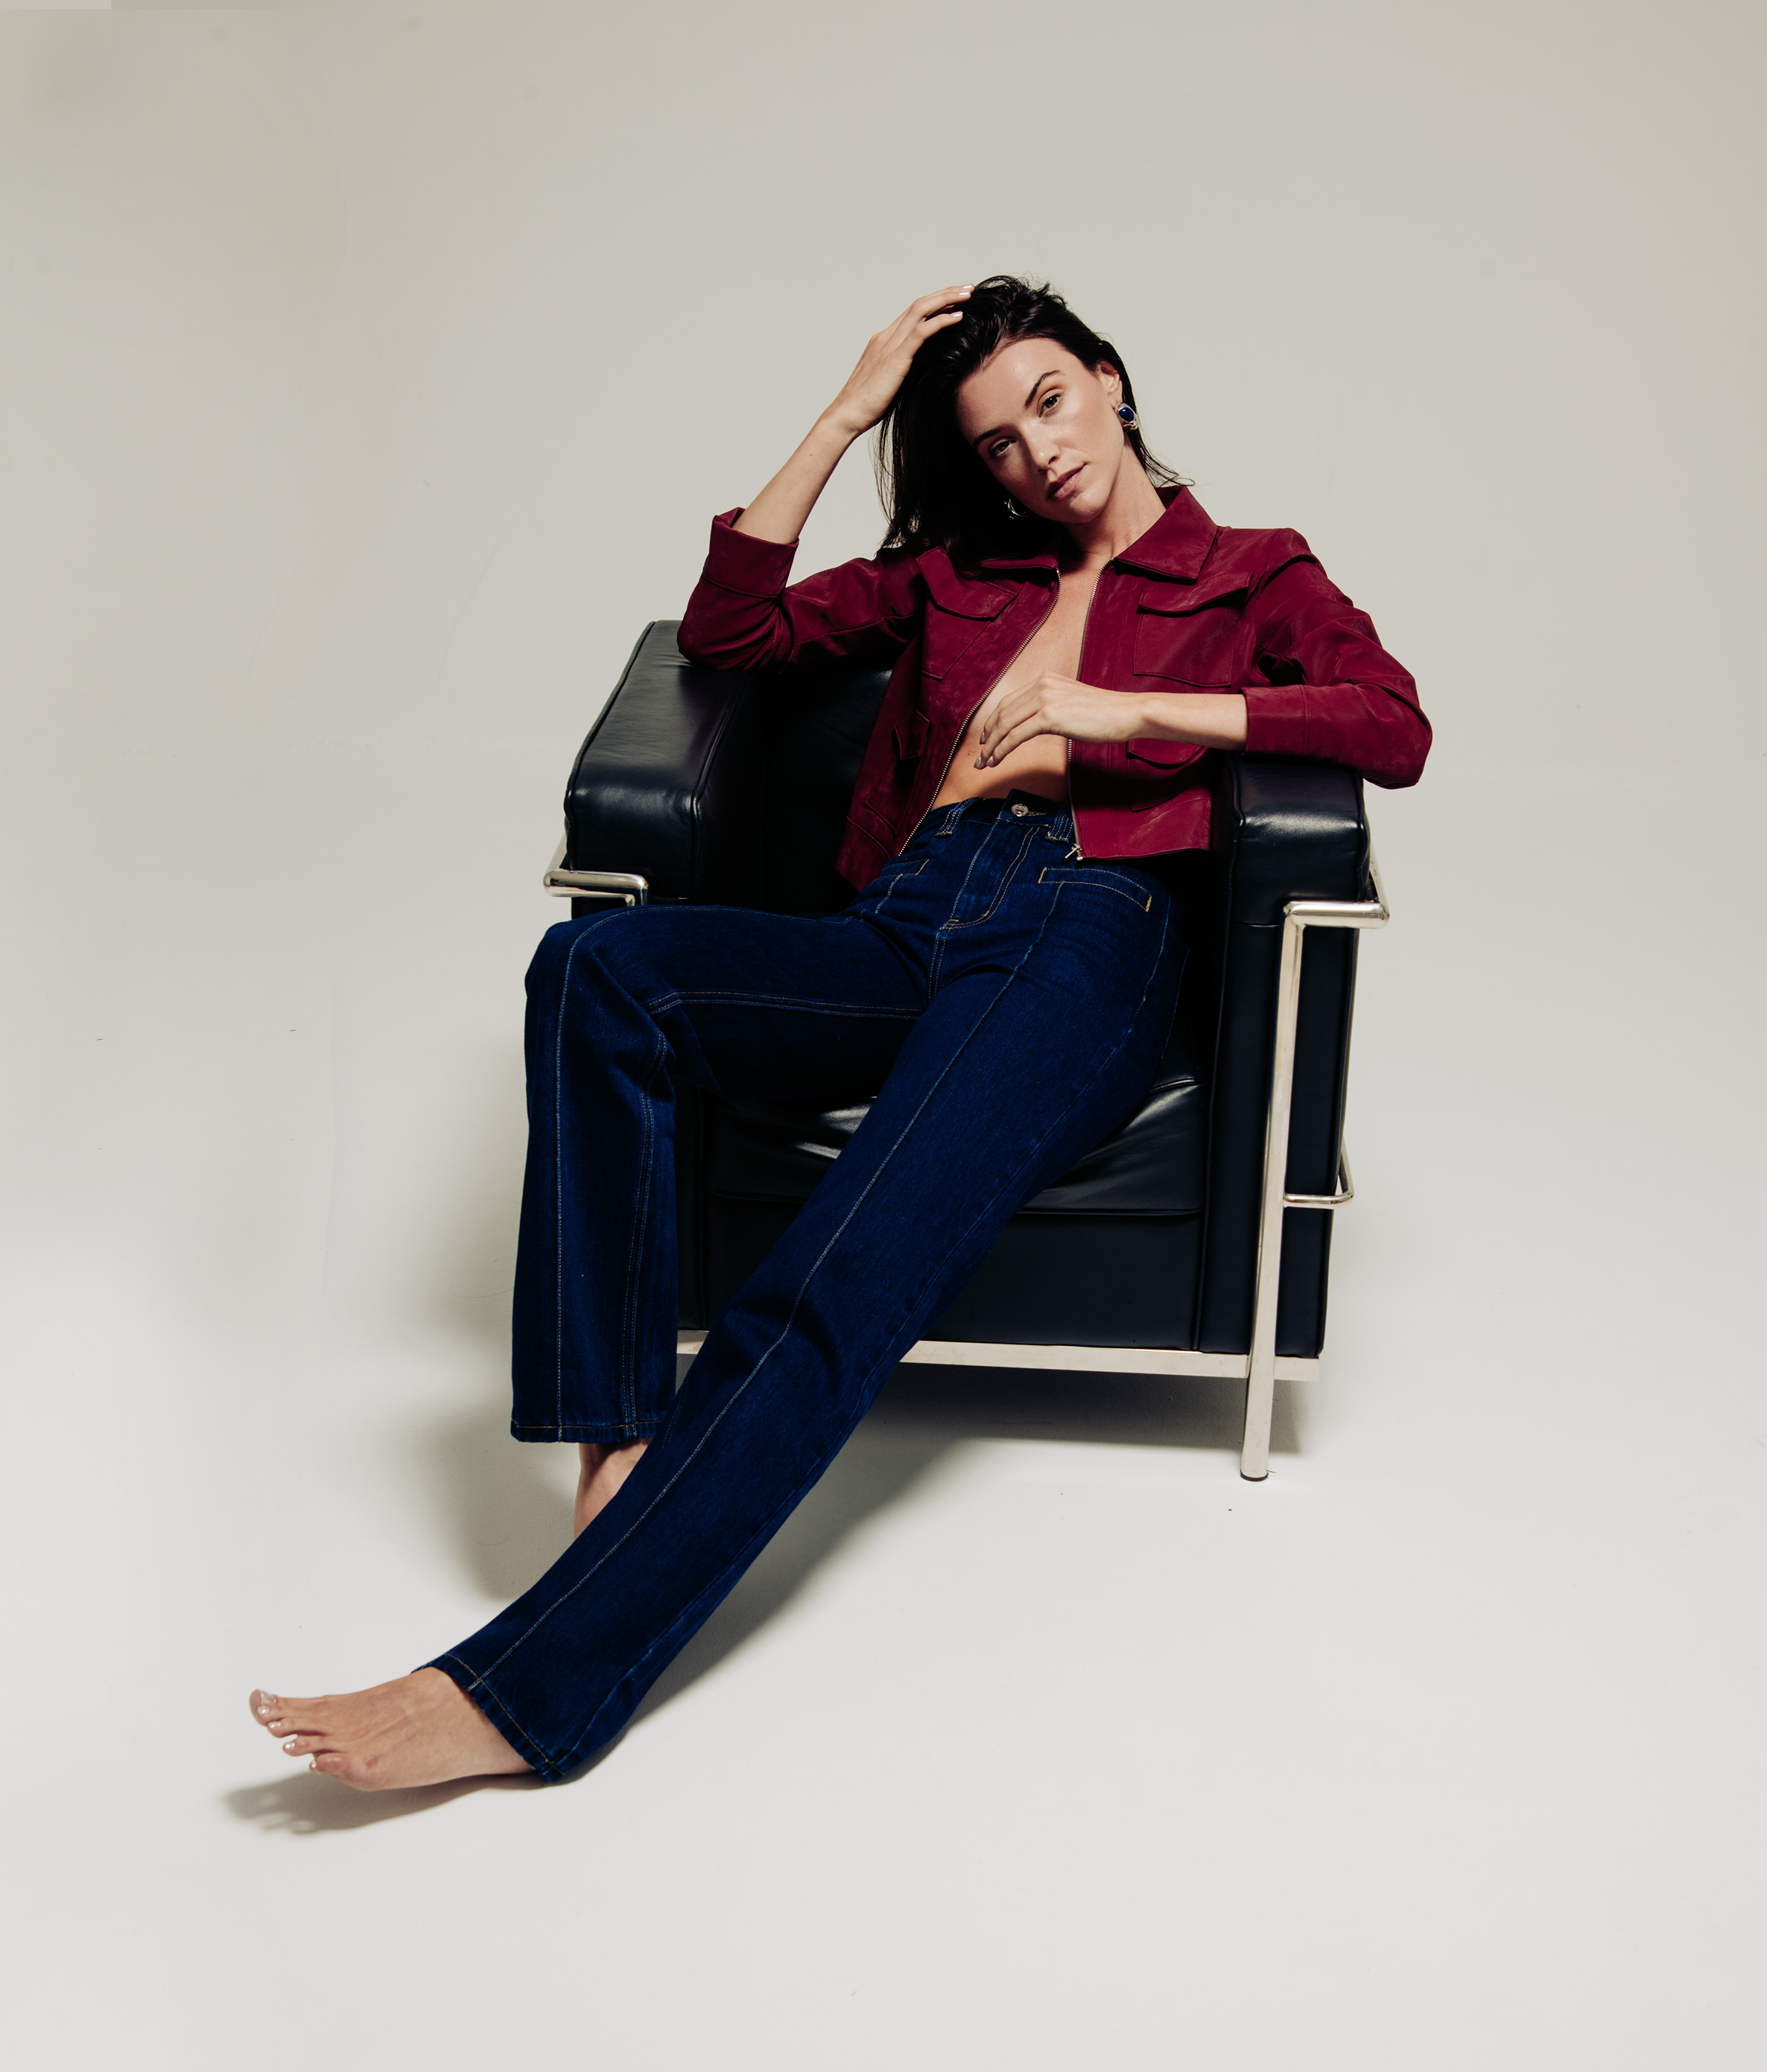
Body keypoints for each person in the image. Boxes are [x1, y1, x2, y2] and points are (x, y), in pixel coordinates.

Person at [249, 276, 1431, 1789]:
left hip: (1087, 922)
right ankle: (620, 1441)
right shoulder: (960, 572)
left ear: (1113, 381)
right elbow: (731, 629)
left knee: (843, 1257)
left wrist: (1134, 713)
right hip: (905, 919)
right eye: (997, 440)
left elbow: (1389, 720)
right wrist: (847, 411)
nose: (1037, 453)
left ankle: (518, 1699)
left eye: (1052, 402)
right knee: (596, 970)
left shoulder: (1251, 571)